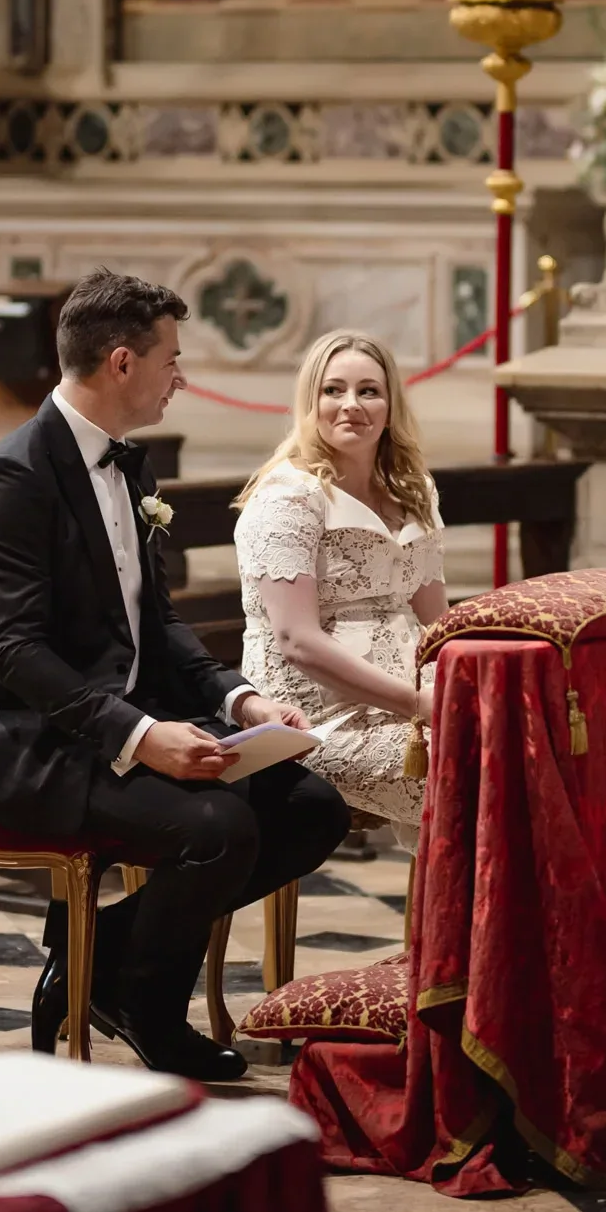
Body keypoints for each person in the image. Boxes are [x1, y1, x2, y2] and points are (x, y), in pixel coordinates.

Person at [0, 270, 351, 1081]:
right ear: (121, 362)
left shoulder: (130, 468)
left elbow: (154, 623)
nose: (180, 378)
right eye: (172, 360)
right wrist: (139, 735)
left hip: (128, 717)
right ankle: (149, 1007)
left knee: (312, 808)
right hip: (35, 740)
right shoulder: (13, 477)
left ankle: (97, 964)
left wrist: (238, 698)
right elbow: (15, 653)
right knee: (218, 828)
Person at [234, 330, 448, 849]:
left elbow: (438, 624)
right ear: (311, 402)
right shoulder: (289, 496)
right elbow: (298, 642)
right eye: (333, 390)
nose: (351, 404)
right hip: (317, 719)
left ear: (391, 405)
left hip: (412, 698)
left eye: (369, 391)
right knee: (469, 771)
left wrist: (470, 685)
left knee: (525, 741)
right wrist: (418, 704)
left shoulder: (413, 490)